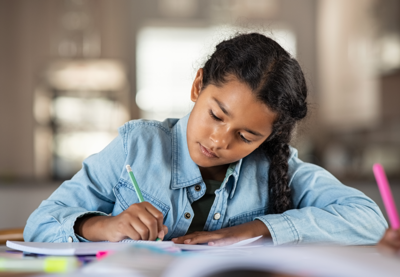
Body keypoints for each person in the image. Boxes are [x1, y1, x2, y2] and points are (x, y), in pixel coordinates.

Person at [24, 33, 387, 245]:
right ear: (198, 85)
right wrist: (103, 225)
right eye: (216, 115)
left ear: (267, 137)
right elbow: (40, 224)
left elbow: (369, 220)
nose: (218, 140)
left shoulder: (278, 167)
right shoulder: (138, 146)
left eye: (245, 136)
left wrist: (253, 230)